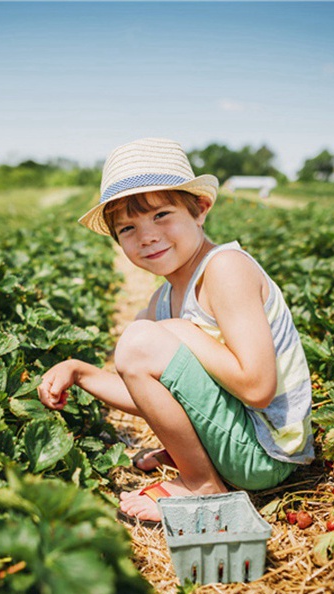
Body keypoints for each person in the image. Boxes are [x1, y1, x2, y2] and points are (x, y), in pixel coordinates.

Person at [37, 138, 314, 527]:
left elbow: (258, 388)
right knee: (141, 337)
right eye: (128, 227)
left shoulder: (226, 269)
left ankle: (204, 488)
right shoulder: (162, 299)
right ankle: (197, 460)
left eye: (162, 215)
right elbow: (148, 392)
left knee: (140, 338)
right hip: (238, 441)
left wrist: (183, 329)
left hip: (265, 452)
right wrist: (80, 372)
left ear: (200, 209)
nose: (147, 236)